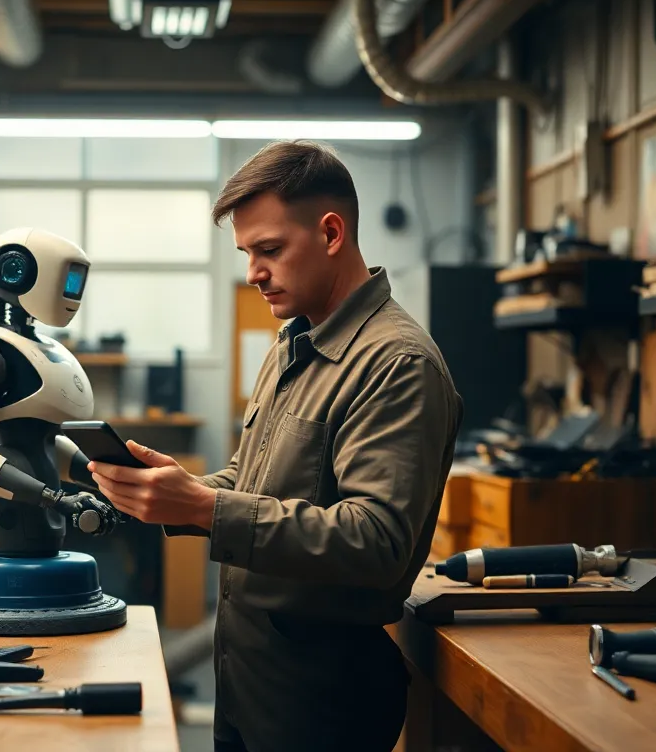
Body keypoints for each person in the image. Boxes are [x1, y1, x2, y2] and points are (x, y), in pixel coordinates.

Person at [87, 140, 462, 752]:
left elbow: (377, 539)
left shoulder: (396, 363)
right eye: (246, 253)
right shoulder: (292, 348)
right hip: (246, 676)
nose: (253, 273)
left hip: (320, 699)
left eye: (269, 250)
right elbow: (252, 479)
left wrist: (203, 510)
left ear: (332, 233)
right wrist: (177, 491)